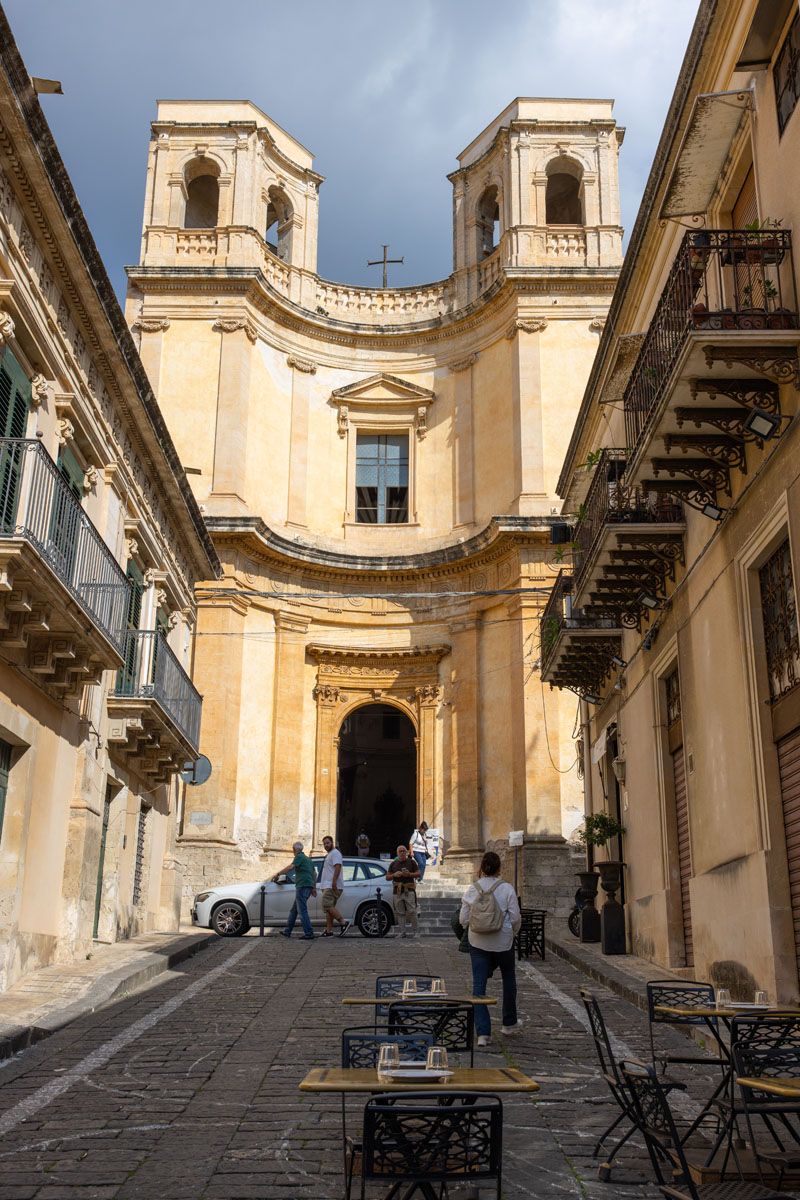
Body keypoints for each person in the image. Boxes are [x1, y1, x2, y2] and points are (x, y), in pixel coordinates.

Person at [459, 850, 522, 1047]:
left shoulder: (472, 889)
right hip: (503, 941)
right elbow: (515, 917)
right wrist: (512, 933)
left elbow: (462, 919)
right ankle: (509, 1023)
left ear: (481, 868)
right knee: (508, 978)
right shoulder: (507, 889)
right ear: (499, 868)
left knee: (478, 985)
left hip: (478, 942)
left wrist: (474, 927)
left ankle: (483, 1034)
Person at [273, 840, 316, 940]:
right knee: (294, 910)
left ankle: (309, 933)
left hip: (302, 886)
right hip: (308, 886)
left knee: (302, 911)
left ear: (294, 849)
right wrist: (313, 887)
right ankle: (287, 931)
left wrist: (278, 874)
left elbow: (291, 867)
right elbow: (314, 874)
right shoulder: (308, 859)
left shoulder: (299, 857)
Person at [386, 844, 420, 937]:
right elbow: (387, 877)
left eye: (403, 851)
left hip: (409, 890)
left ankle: (416, 932)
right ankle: (402, 932)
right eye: (400, 851)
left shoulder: (412, 862)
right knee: (400, 912)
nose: (402, 853)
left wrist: (409, 874)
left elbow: (418, 874)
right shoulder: (393, 863)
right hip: (397, 891)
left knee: (412, 911)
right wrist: (394, 875)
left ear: (407, 852)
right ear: (397, 853)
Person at [320, 834, 350, 937]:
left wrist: (333, 882)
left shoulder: (335, 853)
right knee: (329, 909)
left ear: (332, 843)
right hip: (328, 885)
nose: (326, 845)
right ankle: (329, 931)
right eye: (324, 844)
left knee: (327, 905)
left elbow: (337, 867)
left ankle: (343, 922)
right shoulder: (330, 854)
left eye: (328, 843)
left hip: (331, 885)